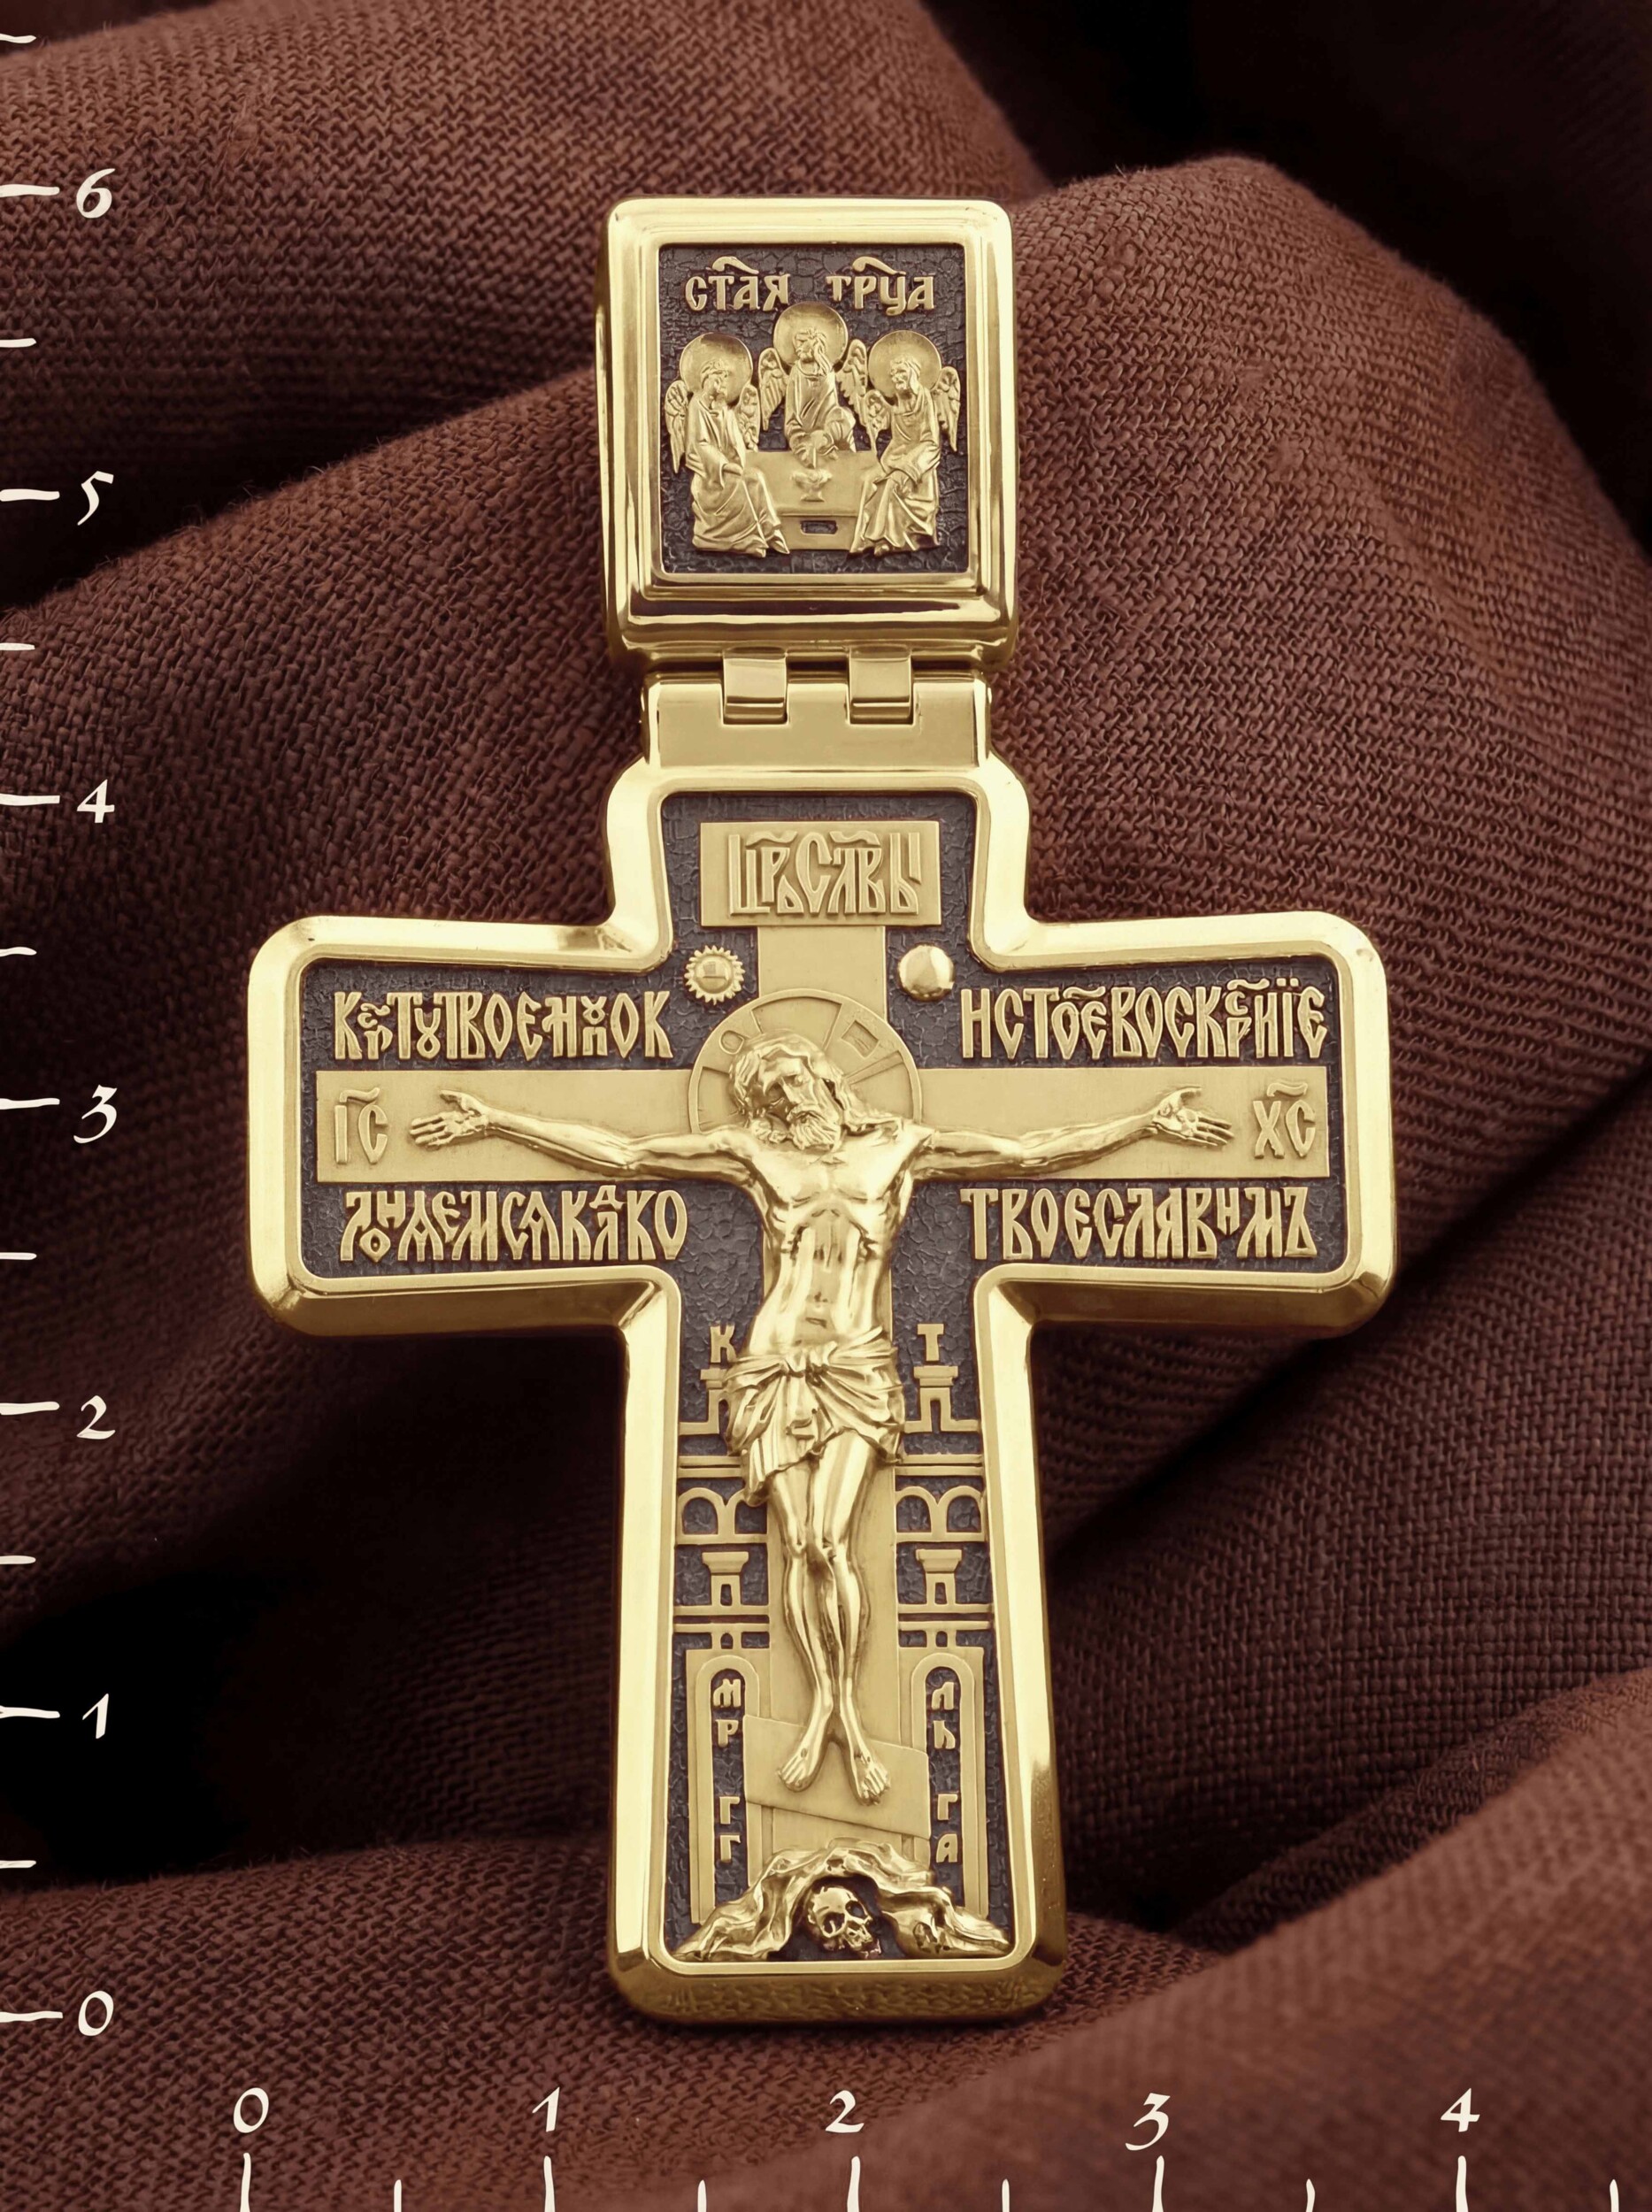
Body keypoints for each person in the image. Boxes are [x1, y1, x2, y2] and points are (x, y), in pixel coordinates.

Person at [410, 1033, 1229, 1803]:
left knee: (832, 1540)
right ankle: (832, 1715)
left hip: (854, 1365)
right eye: (766, 1090)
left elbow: (1028, 1154)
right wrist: (498, 1120)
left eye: (789, 1077)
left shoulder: (899, 1145)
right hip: (773, 1364)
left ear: (822, 1076)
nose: (782, 1095)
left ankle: (836, 1716)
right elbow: (625, 1155)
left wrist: (1145, 1124)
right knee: (802, 1544)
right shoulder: (754, 1153)